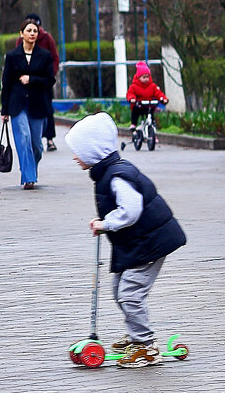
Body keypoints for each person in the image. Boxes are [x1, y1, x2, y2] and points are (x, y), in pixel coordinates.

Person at [65, 112, 187, 368]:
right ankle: (136, 334)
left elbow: (131, 210)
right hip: (138, 242)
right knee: (119, 289)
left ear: (94, 152)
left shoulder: (117, 175)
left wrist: (107, 223)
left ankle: (145, 345)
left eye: (79, 152)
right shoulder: (108, 172)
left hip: (150, 242)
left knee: (130, 294)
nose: (75, 157)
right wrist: (105, 224)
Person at [0, 19, 56, 189]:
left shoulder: (44, 56)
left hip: (37, 104)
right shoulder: (12, 56)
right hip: (17, 105)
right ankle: (28, 178)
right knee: (23, 138)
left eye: (35, 31)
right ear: (21, 34)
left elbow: (50, 80)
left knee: (37, 146)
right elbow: (6, 83)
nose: (32, 33)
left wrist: (31, 79)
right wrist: (4, 110)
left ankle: (30, 169)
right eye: (29, 30)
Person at [25, 13, 60, 151]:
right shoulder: (21, 40)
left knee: (47, 109)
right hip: (28, 83)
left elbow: (55, 58)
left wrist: (51, 74)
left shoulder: (46, 39)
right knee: (28, 109)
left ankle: (50, 139)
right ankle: (33, 138)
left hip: (44, 82)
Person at [126, 61, 168, 132]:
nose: (146, 79)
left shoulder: (152, 86)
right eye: (144, 77)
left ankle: (152, 132)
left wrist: (163, 99)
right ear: (139, 77)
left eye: (147, 77)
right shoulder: (134, 86)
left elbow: (158, 93)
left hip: (149, 105)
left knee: (151, 117)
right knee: (135, 111)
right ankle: (133, 124)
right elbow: (130, 93)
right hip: (139, 105)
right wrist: (132, 98)